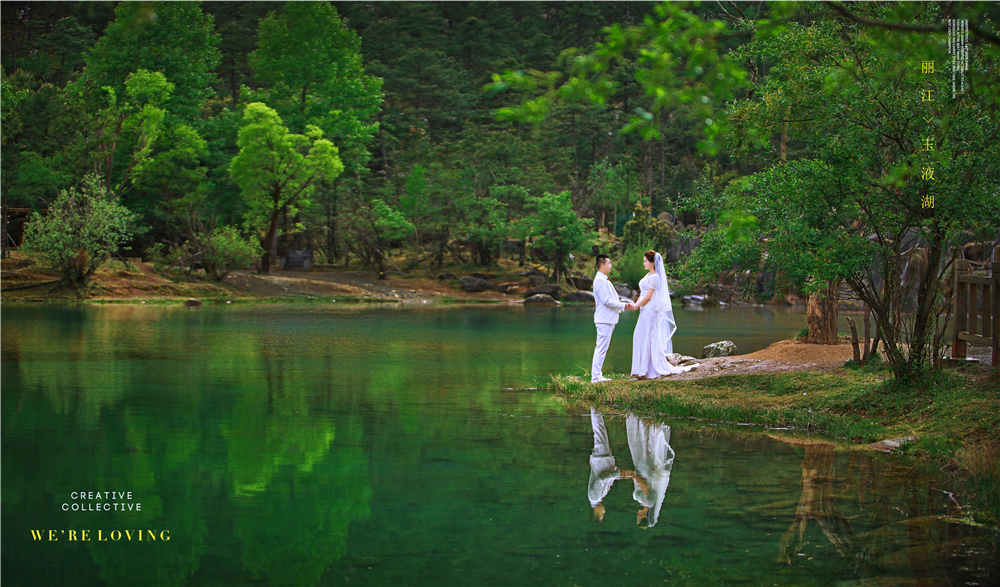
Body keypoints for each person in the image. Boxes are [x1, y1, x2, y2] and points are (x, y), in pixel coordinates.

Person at [630, 251, 697, 379]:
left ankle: (647, 369)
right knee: (640, 335)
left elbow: (648, 296)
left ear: (652, 263)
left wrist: (636, 305)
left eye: (645, 261)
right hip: (644, 309)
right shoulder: (648, 275)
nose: (643, 263)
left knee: (648, 335)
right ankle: (640, 368)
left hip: (650, 309)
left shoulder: (655, 277)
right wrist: (635, 304)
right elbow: (642, 294)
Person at [591, 254, 634, 383]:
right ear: (602, 265)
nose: (611, 265)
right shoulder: (600, 280)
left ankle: (597, 375)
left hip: (608, 319)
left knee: (602, 348)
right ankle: (596, 376)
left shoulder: (604, 280)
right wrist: (624, 305)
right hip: (604, 319)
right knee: (601, 348)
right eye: (609, 263)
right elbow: (606, 301)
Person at [626, 415, 674, 528]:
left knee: (644, 448)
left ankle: (644, 423)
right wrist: (634, 476)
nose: (637, 516)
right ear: (645, 516)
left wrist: (634, 477)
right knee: (641, 448)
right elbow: (643, 485)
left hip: (641, 471)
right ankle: (640, 423)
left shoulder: (644, 502)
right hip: (644, 472)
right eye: (639, 518)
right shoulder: (648, 502)